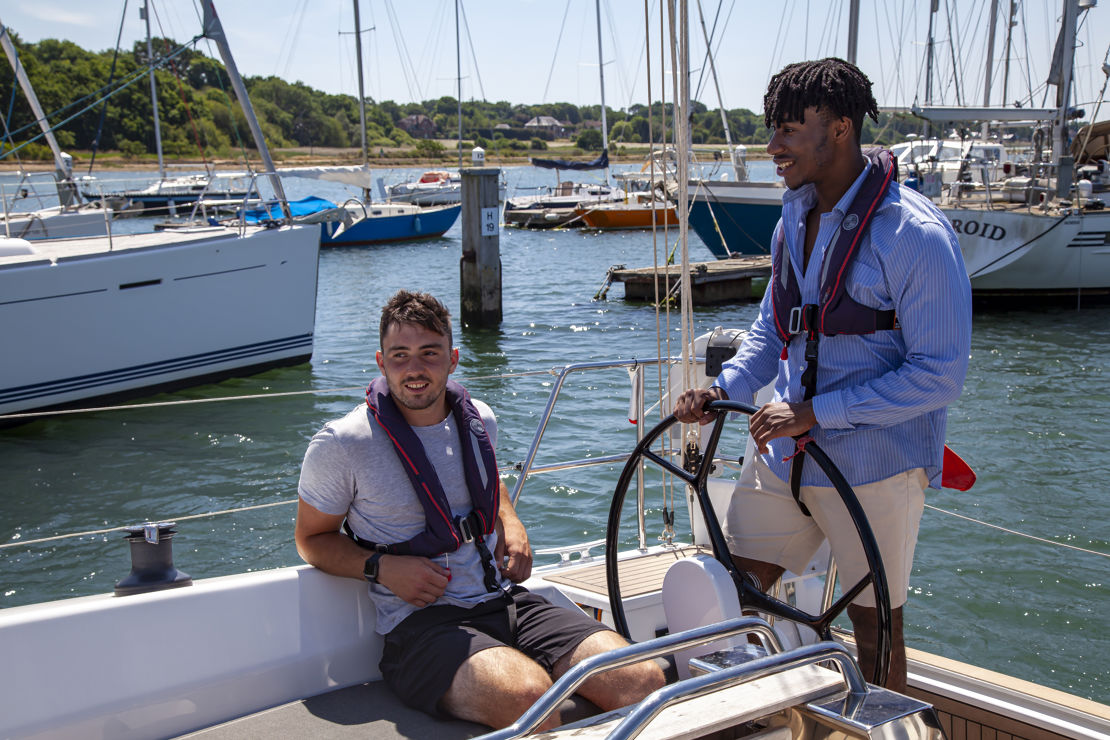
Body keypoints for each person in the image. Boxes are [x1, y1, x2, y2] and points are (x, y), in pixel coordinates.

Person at [674, 58, 971, 692]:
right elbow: (771, 332)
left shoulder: (915, 235)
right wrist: (723, 391)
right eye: (772, 129)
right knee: (733, 597)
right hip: (783, 455)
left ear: (839, 128)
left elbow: (939, 376)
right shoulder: (792, 222)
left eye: (787, 130)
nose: (773, 146)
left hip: (874, 464)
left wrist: (817, 413)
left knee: (875, 630)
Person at [295, 290, 664, 730]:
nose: (414, 369)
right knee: (532, 700)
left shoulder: (478, 420)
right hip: (421, 628)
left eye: (429, 354)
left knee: (644, 679)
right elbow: (311, 540)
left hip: (503, 600)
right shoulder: (343, 443)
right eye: (400, 355)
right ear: (381, 361)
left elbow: (489, 482)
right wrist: (383, 568)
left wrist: (510, 520)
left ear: (452, 359)